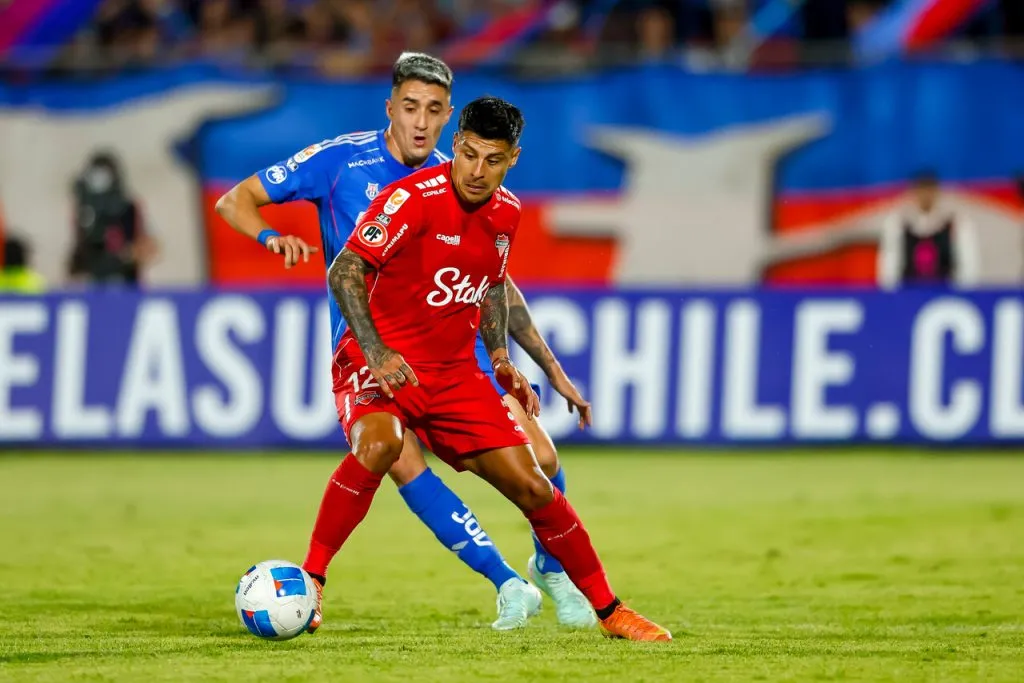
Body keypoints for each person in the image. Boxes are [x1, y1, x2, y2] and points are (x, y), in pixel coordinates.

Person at [215, 52, 595, 630]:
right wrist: (271, 236)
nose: (421, 122)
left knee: (542, 460)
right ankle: (507, 583)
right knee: (393, 453)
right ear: (389, 107)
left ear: (449, 119)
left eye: (434, 111)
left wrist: (542, 362)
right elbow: (233, 199)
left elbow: (496, 282)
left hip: (453, 347)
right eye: (411, 107)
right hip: (376, 351)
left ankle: (551, 568)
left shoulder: (461, 176)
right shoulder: (340, 161)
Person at [313, 95, 670, 641]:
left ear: (513, 159)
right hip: (379, 362)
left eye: (493, 159)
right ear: (455, 145)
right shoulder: (408, 199)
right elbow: (345, 270)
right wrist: (377, 351)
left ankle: (610, 611)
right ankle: (312, 579)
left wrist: (502, 358)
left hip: (455, 375)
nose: (478, 171)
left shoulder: (507, 212)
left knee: (535, 484)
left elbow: (491, 286)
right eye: (470, 154)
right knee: (381, 444)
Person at [67, 151, 159, 286]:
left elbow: (149, 246)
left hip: (125, 278)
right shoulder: (85, 208)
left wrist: (129, 254)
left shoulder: (128, 207)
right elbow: (80, 244)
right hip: (94, 279)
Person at [877, 170, 980, 290]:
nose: (926, 195)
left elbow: (967, 262)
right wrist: (890, 293)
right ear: (914, 192)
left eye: (930, 190)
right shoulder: (899, 223)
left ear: (937, 192)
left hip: (945, 292)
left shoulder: (953, 223)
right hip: (909, 292)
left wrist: (966, 291)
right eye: (922, 190)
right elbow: (890, 262)